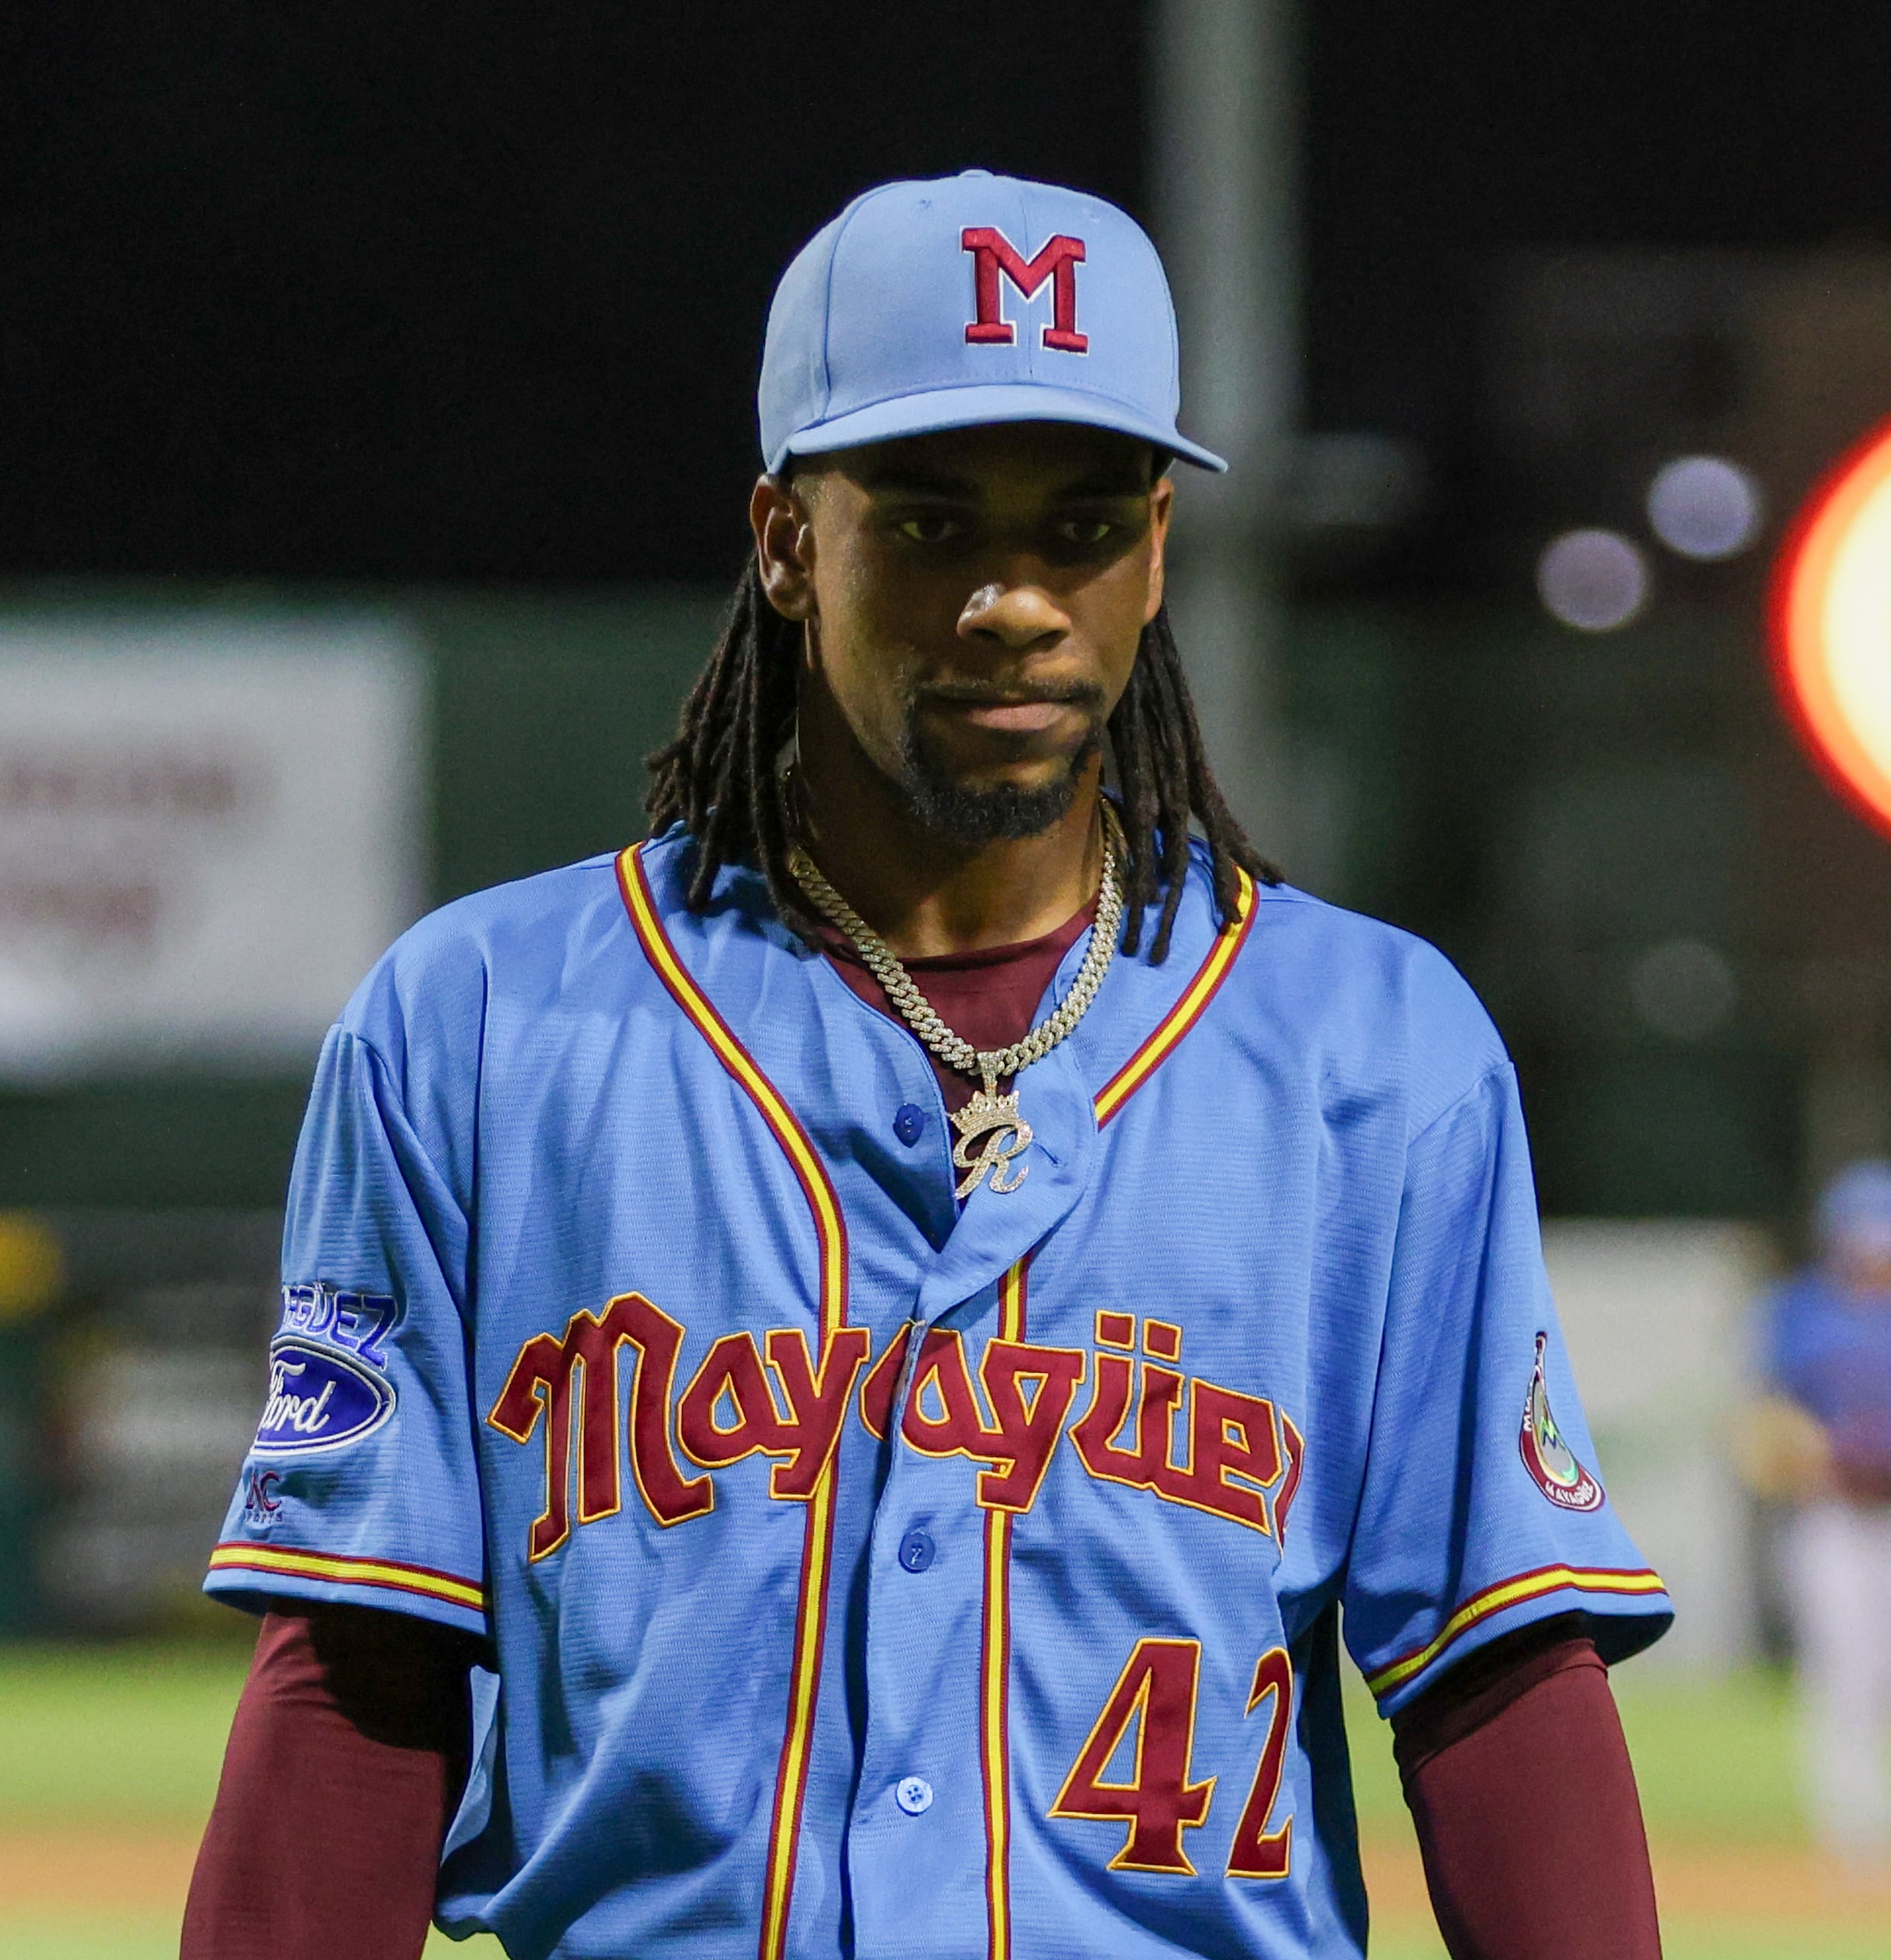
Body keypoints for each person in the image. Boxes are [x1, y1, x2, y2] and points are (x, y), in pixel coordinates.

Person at [181, 171, 1670, 1960]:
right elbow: (359, 1672)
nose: (1011, 599)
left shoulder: (1373, 1045)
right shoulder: (483, 1026)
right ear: (785, 538)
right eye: (930, 520)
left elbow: (1495, 1671)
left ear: (1156, 550)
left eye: (1081, 524)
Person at [1746, 1159, 1891, 1863]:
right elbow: (1768, 1417)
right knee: (1842, 1668)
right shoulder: (1798, 1311)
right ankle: (1852, 1832)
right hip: (1831, 1515)